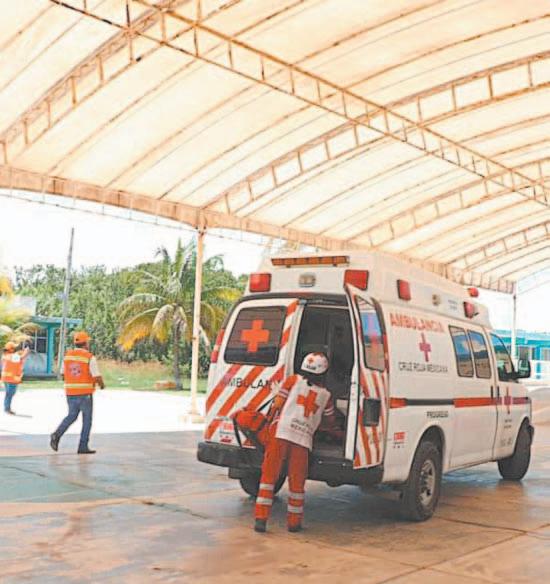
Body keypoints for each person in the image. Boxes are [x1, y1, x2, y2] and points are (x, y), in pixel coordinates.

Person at [254, 352, 335, 534]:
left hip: (281, 433)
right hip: (303, 440)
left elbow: (277, 404)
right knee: (297, 483)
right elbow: (330, 421)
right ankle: (294, 523)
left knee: (268, 478)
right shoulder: (326, 396)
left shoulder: (292, 381)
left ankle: (261, 519)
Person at [50, 331, 105, 454]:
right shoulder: (89, 357)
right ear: (86, 343)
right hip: (85, 393)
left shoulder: (67, 356)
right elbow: (96, 375)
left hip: (70, 392)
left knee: (72, 416)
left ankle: (56, 434)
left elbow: (63, 374)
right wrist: (102, 385)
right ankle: (83, 446)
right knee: (87, 420)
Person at [1, 341, 30, 415]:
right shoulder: (13, 356)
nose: (16, 349)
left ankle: (6, 408)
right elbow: (22, 357)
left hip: (5, 378)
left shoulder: (5, 356)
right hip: (12, 379)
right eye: (14, 348)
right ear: (11, 349)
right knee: (10, 394)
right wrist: (26, 351)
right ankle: (7, 408)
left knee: (8, 394)